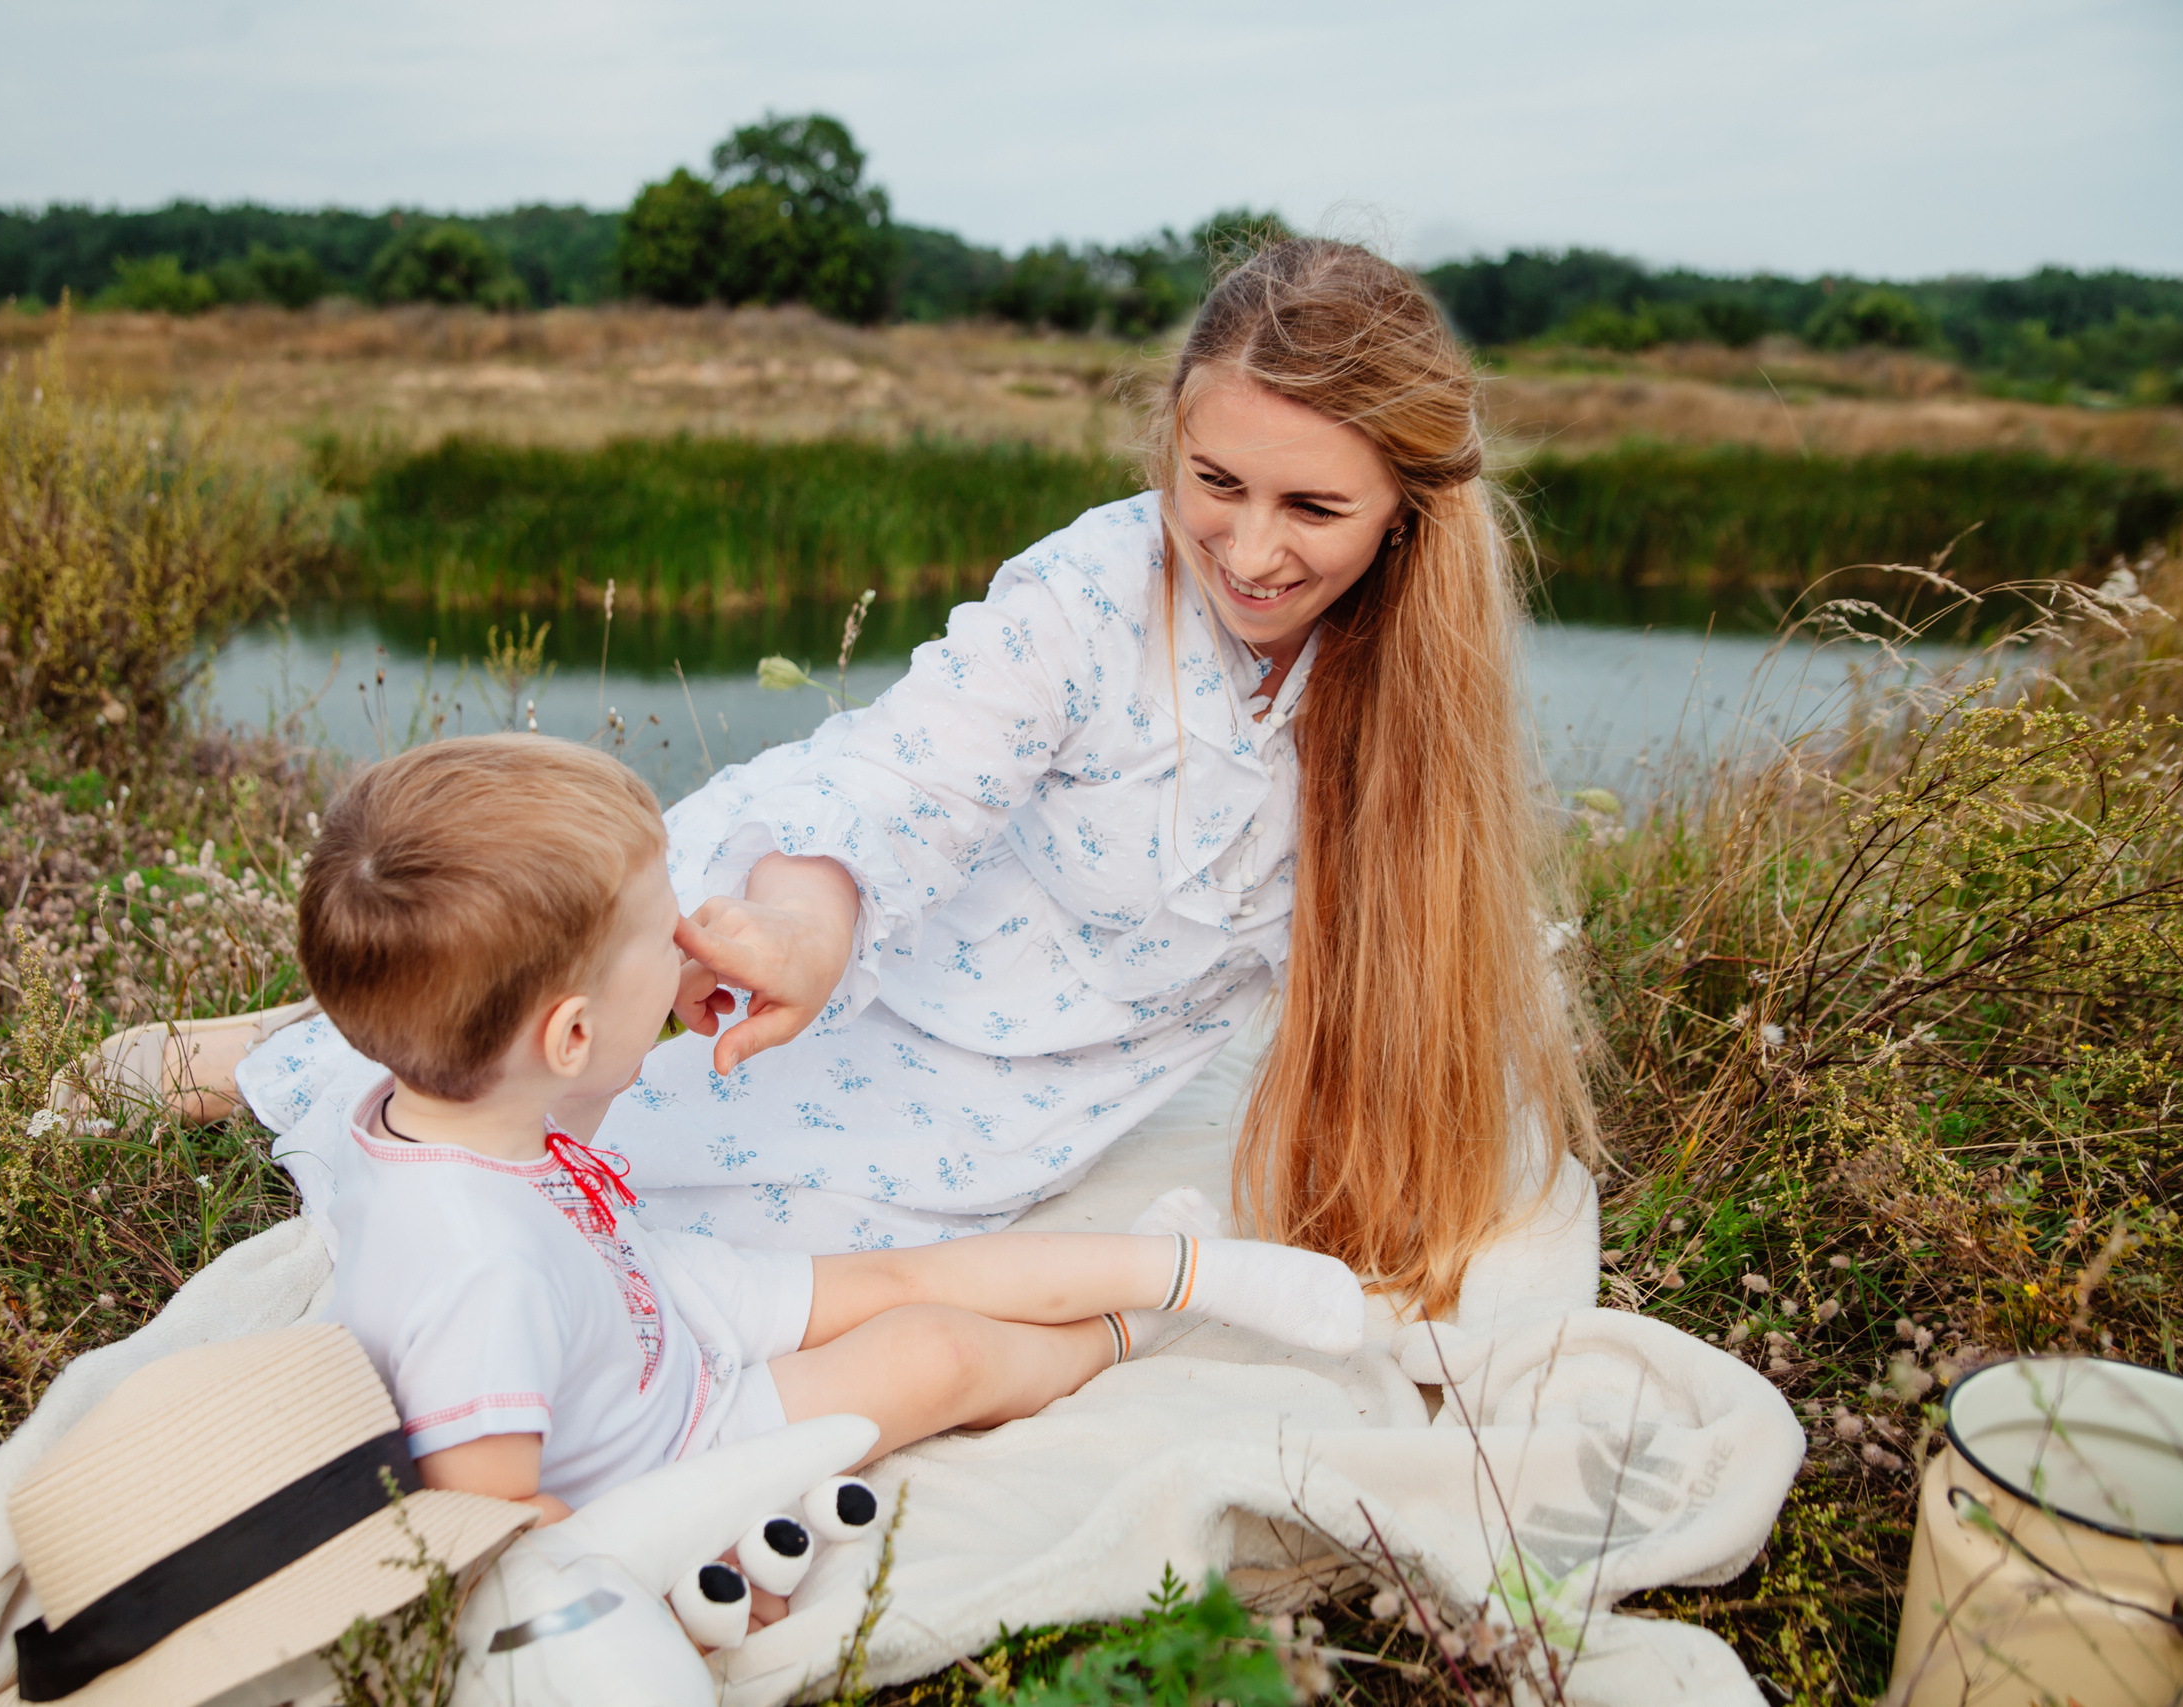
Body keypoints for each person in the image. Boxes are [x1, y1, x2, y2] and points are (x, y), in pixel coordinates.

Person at [142, 238, 1589, 1327]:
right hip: (872, 959)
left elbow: (1418, 935)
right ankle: (275, 1045)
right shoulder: (1090, 592)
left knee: (770, 1235)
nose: (1253, 549)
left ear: (1405, 510)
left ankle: (312, 1035)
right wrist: (805, 925)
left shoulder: (1420, 674)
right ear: (1170, 440)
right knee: (516, 1098)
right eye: (1216, 482)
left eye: (1314, 507)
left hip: (1039, 1085)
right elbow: (908, 778)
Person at [298, 735, 1369, 1524]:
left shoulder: (448, 1101)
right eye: (663, 935)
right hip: (671, 1441)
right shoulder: (481, 1277)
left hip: (644, 1307)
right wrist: (681, 1554)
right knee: (931, 1351)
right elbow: (493, 1522)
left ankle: (1184, 1268)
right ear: (570, 1033)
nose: (693, 939)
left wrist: (651, 999)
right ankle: (1125, 1332)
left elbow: (561, 1107)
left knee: (894, 1274)